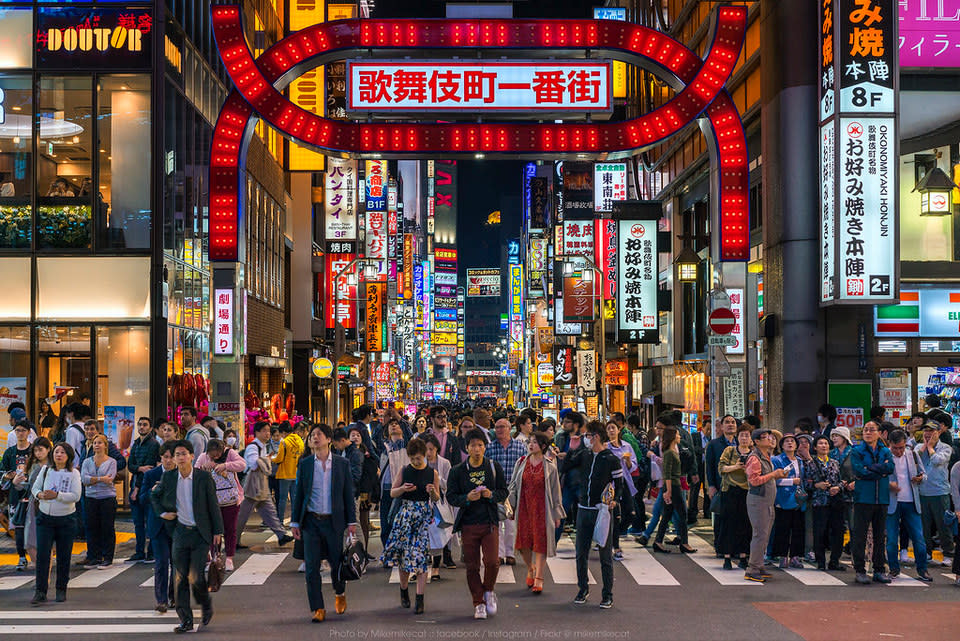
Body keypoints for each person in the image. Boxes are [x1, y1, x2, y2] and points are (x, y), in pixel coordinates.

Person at [151, 439, 224, 633]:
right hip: (180, 532)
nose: (181, 457)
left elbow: (213, 505)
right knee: (180, 577)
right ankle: (186, 620)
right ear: (173, 459)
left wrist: (218, 531)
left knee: (195, 576)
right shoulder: (169, 478)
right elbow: (154, 496)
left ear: (192, 456)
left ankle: (205, 604)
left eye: (184, 453)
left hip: (201, 533)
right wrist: (162, 513)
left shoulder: (203, 478)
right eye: (177, 455)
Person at [289, 423, 358, 623]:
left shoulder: (341, 464)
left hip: (333, 521)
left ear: (329, 439)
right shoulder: (306, 464)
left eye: (319, 435)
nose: (314, 438)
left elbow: (348, 494)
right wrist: (295, 522)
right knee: (311, 567)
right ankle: (317, 608)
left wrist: (351, 522)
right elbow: (299, 493)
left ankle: (339, 593)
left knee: (337, 563)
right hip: (311, 521)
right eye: (312, 435)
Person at [446, 429, 508, 620]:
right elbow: (450, 496)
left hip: (489, 521)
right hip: (468, 523)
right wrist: (467, 498)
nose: (477, 449)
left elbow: (503, 491)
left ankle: (488, 591)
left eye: (480, 445)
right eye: (473, 445)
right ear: (467, 448)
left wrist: (491, 495)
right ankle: (478, 602)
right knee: (472, 566)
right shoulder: (457, 471)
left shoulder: (493, 467)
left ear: (485, 447)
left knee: (492, 561)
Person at [562, 421, 624, 608]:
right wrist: (572, 450)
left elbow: (619, 484)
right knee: (581, 552)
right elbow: (565, 467)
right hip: (583, 509)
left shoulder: (610, 458)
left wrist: (615, 500)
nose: (586, 439)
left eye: (588, 436)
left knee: (605, 554)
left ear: (596, 436)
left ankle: (607, 594)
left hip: (602, 510)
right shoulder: (585, 455)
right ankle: (583, 588)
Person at [381, 438, 441, 614]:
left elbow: (437, 498)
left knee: (422, 558)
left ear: (425, 455)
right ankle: (404, 590)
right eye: (413, 458)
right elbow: (393, 492)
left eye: (419, 458)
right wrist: (403, 490)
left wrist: (433, 491)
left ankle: (420, 598)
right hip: (405, 517)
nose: (416, 462)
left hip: (423, 518)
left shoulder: (432, 473)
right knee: (404, 558)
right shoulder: (404, 470)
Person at [508, 431, 565, 594]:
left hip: (543, 508)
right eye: (529, 442)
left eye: (534, 442)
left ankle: (539, 577)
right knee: (523, 543)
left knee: (541, 542)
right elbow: (513, 486)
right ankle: (530, 567)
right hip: (524, 507)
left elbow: (555, 492)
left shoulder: (550, 466)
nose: (531, 445)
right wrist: (510, 506)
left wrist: (557, 513)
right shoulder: (521, 463)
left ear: (543, 446)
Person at [31, 442, 82, 604]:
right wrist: (40, 495)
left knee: (64, 555)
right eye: (56, 452)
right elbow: (35, 488)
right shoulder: (46, 470)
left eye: (62, 452)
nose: (58, 455)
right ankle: (40, 591)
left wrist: (57, 495)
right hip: (45, 518)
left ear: (68, 456)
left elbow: (76, 496)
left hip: (66, 519)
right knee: (43, 556)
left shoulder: (74, 473)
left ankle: (61, 589)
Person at [849, 420, 894, 584]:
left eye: (872, 429)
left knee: (880, 536)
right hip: (863, 498)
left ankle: (879, 569)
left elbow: (890, 468)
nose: (868, 432)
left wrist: (871, 470)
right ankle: (860, 570)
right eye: (866, 430)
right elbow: (859, 471)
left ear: (879, 433)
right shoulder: (857, 450)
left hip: (881, 498)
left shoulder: (885, 451)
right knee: (860, 535)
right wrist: (880, 470)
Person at [885, 429, 933, 581]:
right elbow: (878, 477)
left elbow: (924, 474)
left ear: (905, 444)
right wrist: (889, 485)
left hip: (911, 502)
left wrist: (920, 478)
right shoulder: (884, 456)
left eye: (901, 447)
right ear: (889, 444)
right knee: (892, 539)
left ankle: (922, 569)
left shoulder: (912, 454)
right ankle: (893, 568)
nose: (898, 451)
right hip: (892, 502)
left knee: (919, 538)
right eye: (895, 448)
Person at [235, 421, 292, 547]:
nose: (268, 433)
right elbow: (253, 464)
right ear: (257, 432)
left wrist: (266, 458)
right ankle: (233, 541)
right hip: (253, 487)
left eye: (268, 431)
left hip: (261, 486)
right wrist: (266, 460)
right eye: (264, 431)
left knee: (270, 512)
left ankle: (281, 535)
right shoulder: (253, 447)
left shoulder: (262, 446)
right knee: (242, 517)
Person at [744, 428, 788, 582]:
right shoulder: (754, 458)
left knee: (765, 535)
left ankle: (759, 564)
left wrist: (778, 475)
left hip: (767, 500)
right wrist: (773, 474)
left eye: (769, 437)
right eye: (765, 437)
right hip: (758, 500)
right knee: (759, 535)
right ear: (756, 441)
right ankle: (752, 569)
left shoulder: (765, 456)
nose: (770, 439)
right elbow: (754, 480)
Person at [195, 439, 245, 572]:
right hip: (211, 501)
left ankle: (229, 557)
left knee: (230, 529)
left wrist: (226, 465)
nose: (216, 457)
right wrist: (205, 467)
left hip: (230, 499)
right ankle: (214, 557)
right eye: (213, 455)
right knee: (213, 531)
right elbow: (195, 472)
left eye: (218, 454)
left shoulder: (230, 453)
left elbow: (242, 465)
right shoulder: (203, 457)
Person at [142, 441, 178, 612]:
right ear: (161, 458)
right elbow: (141, 498)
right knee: (162, 562)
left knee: (177, 563)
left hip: (178, 524)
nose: (169, 461)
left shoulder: (182, 474)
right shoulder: (151, 475)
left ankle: (174, 597)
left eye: (172, 457)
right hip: (158, 525)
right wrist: (152, 491)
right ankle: (161, 599)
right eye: (166, 457)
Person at [486, 417, 526, 566]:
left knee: (511, 523)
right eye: (497, 427)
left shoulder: (520, 447)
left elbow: (523, 467)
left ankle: (510, 553)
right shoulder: (490, 448)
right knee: (496, 523)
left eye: (502, 427)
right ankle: (499, 553)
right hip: (495, 489)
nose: (499, 430)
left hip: (512, 489)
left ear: (510, 429)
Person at [651, 425, 697, 555]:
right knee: (682, 514)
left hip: (674, 485)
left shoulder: (672, 451)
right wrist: (668, 491)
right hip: (673, 486)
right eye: (677, 434)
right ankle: (684, 543)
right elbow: (667, 473)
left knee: (667, 514)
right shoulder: (670, 453)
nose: (679, 437)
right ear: (672, 437)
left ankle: (658, 541)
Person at [915, 422, 954, 567]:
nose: (928, 433)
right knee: (924, 525)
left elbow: (938, 460)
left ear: (938, 433)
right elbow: (913, 459)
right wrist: (925, 446)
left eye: (931, 431)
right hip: (922, 492)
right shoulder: (919, 447)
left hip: (940, 492)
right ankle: (927, 552)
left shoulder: (946, 448)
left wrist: (931, 447)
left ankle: (948, 553)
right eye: (926, 430)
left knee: (943, 524)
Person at [12, 437, 52, 572]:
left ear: (48, 449)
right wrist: (17, 483)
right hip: (34, 505)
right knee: (30, 541)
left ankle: (44, 570)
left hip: (51, 504)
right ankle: (40, 569)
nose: (38, 453)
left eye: (40, 450)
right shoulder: (33, 466)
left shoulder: (54, 465)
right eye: (35, 450)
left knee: (47, 541)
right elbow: (27, 487)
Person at [806, 435, 846, 571]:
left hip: (835, 502)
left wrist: (838, 487)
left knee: (838, 532)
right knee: (820, 532)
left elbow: (842, 480)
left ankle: (834, 560)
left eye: (826, 443)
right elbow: (806, 483)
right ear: (815, 447)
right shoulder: (810, 463)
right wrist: (817, 485)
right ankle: (821, 561)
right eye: (821, 444)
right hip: (820, 502)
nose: (824, 446)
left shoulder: (835, 462)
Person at [717, 424, 752, 570]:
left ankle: (743, 556)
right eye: (742, 435)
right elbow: (721, 469)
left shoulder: (754, 453)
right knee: (728, 524)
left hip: (747, 492)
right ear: (737, 437)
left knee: (745, 524)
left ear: (751, 439)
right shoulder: (730, 450)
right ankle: (727, 557)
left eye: (747, 435)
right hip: (730, 491)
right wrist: (737, 466)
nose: (744, 438)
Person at [80, 434, 118, 568]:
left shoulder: (112, 462)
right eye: (95, 443)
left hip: (107, 498)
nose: (96, 445)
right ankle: (94, 557)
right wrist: (101, 479)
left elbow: (110, 479)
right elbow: (84, 480)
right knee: (91, 528)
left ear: (105, 445)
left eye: (100, 442)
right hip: (91, 498)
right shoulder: (87, 461)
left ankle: (107, 557)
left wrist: (93, 479)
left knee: (107, 528)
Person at [772, 433, 807, 569]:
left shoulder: (799, 460)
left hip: (798, 499)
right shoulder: (777, 460)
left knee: (798, 528)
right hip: (783, 498)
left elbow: (802, 479)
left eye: (792, 441)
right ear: (781, 445)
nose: (790, 443)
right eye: (786, 441)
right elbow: (774, 479)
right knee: (783, 528)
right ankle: (782, 556)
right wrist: (791, 481)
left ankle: (795, 556)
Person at [2, 420, 34, 569]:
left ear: (28, 432)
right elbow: (2, 472)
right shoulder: (9, 452)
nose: (20, 433)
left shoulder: (34, 450)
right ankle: (21, 556)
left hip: (33, 492)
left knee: (35, 524)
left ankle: (37, 555)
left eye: (23, 430)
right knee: (18, 525)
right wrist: (10, 476)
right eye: (17, 430)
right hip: (15, 493)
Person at [127, 416, 159, 563]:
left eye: (145, 425)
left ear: (150, 428)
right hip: (134, 483)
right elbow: (130, 465)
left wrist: (137, 488)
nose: (141, 427)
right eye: (140, 425)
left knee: (149, 520)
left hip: (145, 487)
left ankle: (151, 552)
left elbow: (149, 468)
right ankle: (139, 551)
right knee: (138, 522)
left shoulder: (153, 444)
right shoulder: (136, 444)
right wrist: (139, 468)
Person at [605, 419, 638, 560]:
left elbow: (634, 467)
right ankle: (615, 546)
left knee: (630, 512)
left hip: (625, 482)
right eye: (609, 429)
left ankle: (615, 535)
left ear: (619, 430)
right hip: (611, 485)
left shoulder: (627, 446)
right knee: (615, 515)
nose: (611, 431)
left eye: (613, 428)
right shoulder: (605, 447)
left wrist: (628, 461)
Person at [422, 433, 453, 579]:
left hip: (439, 502)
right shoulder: (419, 462)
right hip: (423, 502)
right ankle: (425, 563)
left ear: (436, 449)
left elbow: (449, 484)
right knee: (425, 534)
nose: (428, 452)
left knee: (439, 533)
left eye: (431, 449)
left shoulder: (445, 463)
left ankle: (436, 566)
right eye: (426, 449)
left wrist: (436, 479)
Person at [706, 415, 739, 553]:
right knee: (721, 517)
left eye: (733, 422)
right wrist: (711, 486)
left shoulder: (741, 443)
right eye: (727, 422)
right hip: (721, 486)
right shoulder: (714, 444)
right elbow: (709, 466)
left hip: (739, 487)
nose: (730, 425)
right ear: (721, 426)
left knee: (737, 517)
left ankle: (736, 547)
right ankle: (720, 546)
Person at [379, 418, 409, 551]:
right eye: (391, 425)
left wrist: (400, 419)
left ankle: (400, 551)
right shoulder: (384, 447)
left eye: (397, 425)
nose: (394, 426)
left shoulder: (408, 445)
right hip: (385, 489)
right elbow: (374, 436)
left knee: (401, 523)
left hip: (402, 490)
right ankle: (388, 552)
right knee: (385, 524)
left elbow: (408, 431)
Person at [272, 420, 304, 523]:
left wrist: (271, 459)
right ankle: (295, 520)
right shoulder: (300, 440)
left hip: (285, 473)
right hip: (296, 473)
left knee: (282, 499)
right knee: (295, 499)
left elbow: (279, 458)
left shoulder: (284, 442)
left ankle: (280, 521)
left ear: (283, 432)